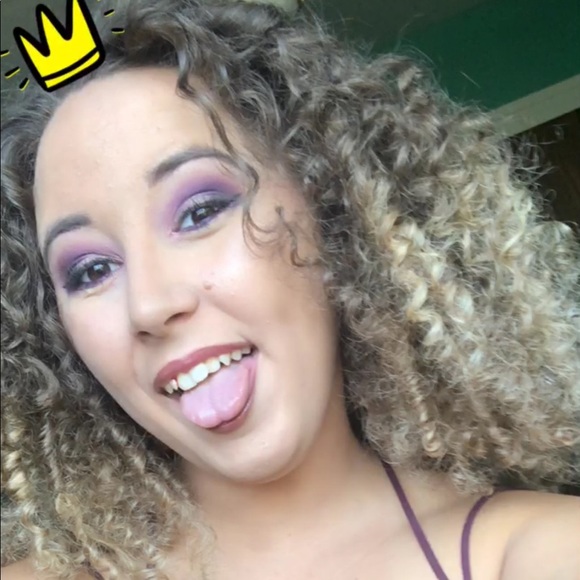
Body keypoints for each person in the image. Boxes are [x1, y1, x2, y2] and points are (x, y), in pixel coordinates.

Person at [1, 1, 579, 578]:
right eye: (90, 271)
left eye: (200, 211)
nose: (149, 305)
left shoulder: (533, 550)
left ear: (332, 209)